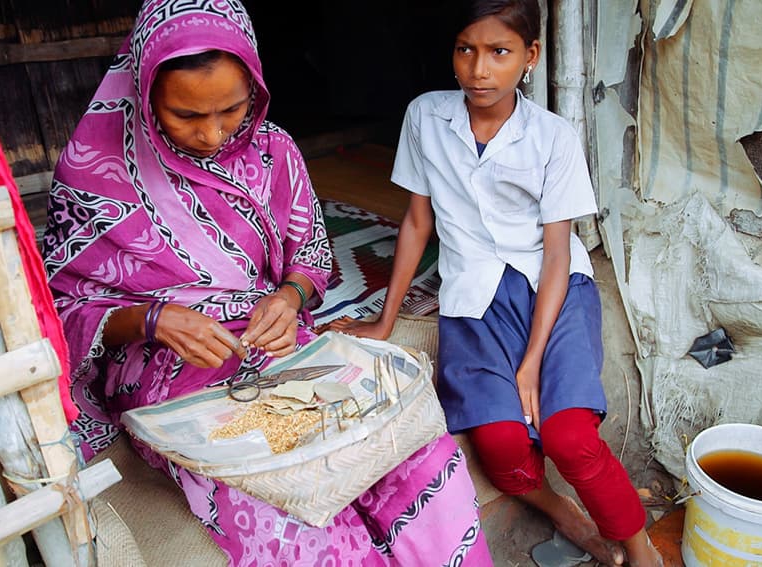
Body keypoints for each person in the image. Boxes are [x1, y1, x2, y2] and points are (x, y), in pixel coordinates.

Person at [42, 1, 492, 564]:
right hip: (164, 367)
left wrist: (290, 295)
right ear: (142, 90)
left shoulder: (275, 149)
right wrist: (150, 319)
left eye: (231, 109)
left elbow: (311, 257)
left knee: (410, 451)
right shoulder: (91, 170)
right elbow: (59, 310)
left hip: (270, 341)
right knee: (274, 495)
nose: (212, 134)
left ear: (254, 86)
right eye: (185, 115)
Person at [322, 1, 663, 565]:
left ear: (530, 57)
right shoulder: (426, 117)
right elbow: (416, 220)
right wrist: (386, 318)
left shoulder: (553, 137)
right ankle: (559, 510)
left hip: (552, 290)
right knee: (501, 442)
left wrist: (531, 362)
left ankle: (640, 548)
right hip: (473, 297)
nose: (479, 70)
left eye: (499, 52)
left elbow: (556, 253)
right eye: (466, 50)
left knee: (570, 437)